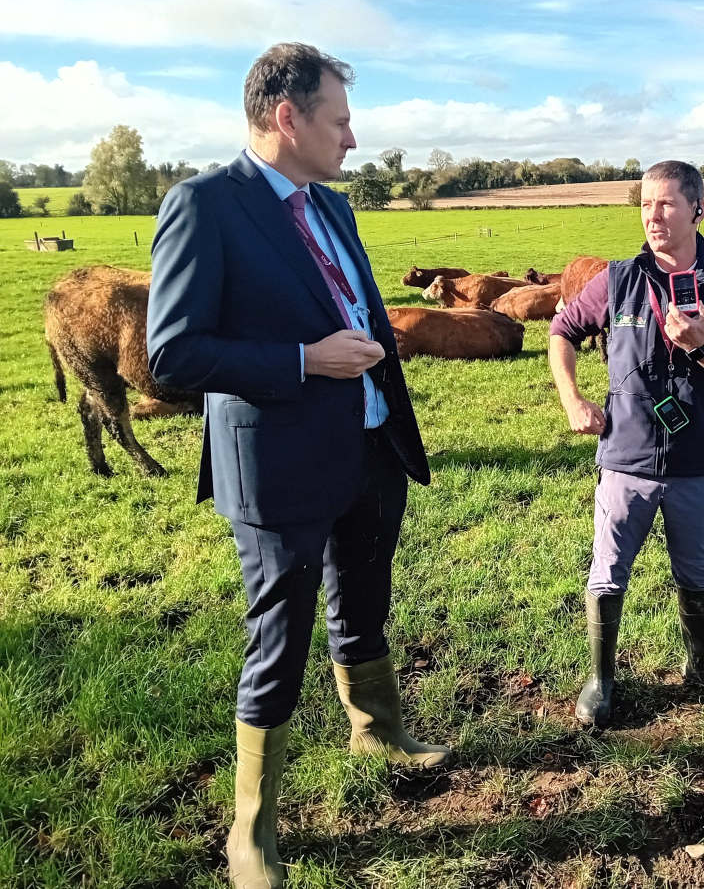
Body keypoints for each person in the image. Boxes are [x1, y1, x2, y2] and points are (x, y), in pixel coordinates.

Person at [147, 43, 450, 888]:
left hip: (369, 444)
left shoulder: (334, 207)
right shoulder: (204, 206)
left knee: (366, 594)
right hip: (277, 466)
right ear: (289, 118)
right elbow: (172, 354)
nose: (352, 139)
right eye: (340, 120)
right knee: (277, 637)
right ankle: (252, 831)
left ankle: (377, 728)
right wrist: (303, 361)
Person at [548, 160, 704, 727]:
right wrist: (573, 399)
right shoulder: (619, 279)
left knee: (696, 570)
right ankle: (600, 679)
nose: (653, 215)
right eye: (646, 203)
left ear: (699, 209)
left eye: (667, 203)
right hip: (625, 457)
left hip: (698, 459)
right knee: (608, 570)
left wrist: (701, 347)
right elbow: (562, 332)